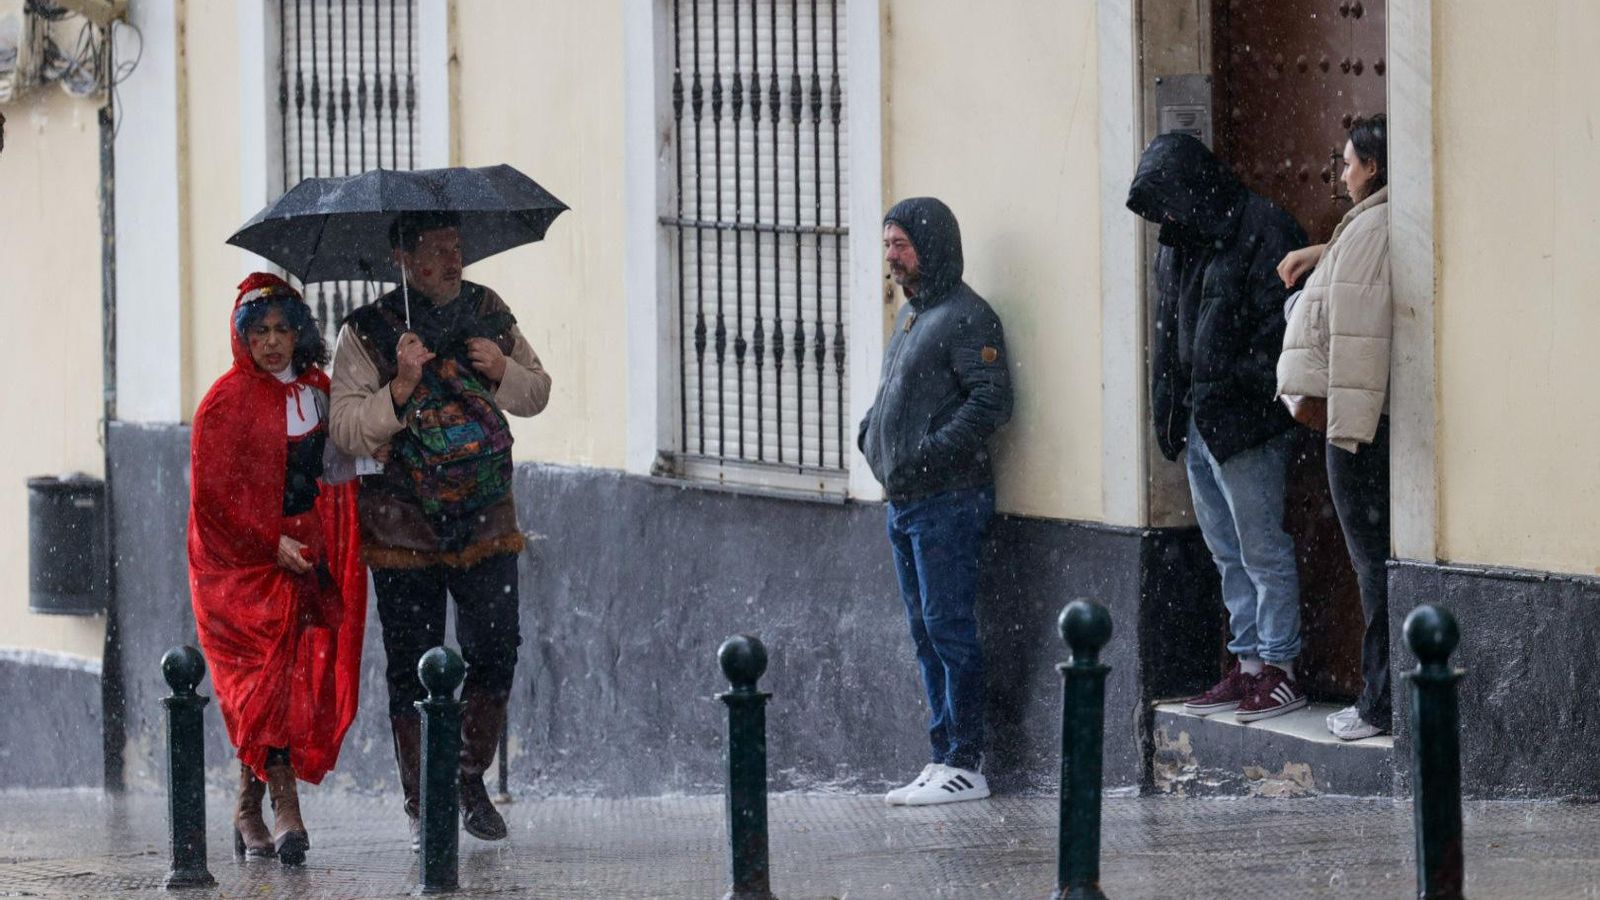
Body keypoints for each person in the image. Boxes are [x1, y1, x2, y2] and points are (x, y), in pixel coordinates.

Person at [329, 211, 552, 849]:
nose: (452, 262)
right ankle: (421, 794)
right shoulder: (367, 332)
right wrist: (399, 389)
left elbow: (537, 392)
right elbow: (345, 429)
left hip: (486, 515)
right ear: (403, 258)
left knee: (495, 648)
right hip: (402, 526)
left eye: (456, 248)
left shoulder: (488, 310)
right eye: (435, 251)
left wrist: (502, 367)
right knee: (413, 662)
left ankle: (468, 776)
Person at [1126, 134, 1310, 723]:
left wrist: (1235, 382)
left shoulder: (1265, 229)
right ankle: (1249, 665)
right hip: (1201, 422)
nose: (1167, 216)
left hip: (1248, 422)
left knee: (1261, 549)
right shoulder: (1178, 242)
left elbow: (1286, 335)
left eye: (1171, 201)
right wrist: (1169, 410)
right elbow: (1167, 334)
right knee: (1227, 551)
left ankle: (1281, 668)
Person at [187, 273, 366, 865]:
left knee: (289, 683)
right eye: (259, 331)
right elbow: (214, 500)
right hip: (237, 570)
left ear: (298, 332)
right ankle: (282, 805)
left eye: (282, 329)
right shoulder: (224, 402)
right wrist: (268, 544)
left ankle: (247, 806)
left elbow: (337, 466)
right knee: (258, 684)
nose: (271, 343)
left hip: (303, 551)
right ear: (243, 337)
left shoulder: (317, 391)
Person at [859, 197, 1012, 806]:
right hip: (906, 502)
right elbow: (893, 391)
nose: (892, 256)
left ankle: (965, 762)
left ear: (933, 245)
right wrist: (870, 434)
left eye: (902, 244)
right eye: (888, 244)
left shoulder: (967, 317)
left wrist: (925, 455)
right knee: (925, 631)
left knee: (949, 628)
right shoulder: (915, 314)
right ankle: (941, 751)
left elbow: (990, 402)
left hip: (948, 501)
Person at [1276, 114, 1393, 740]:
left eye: (1347, 163)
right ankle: (1383, 698)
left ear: (1371, 167)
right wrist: (1318, 253)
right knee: (1372, 565)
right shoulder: (1377, 221)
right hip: (1363, 421)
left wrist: (1343, 426)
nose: (1342, 174)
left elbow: (1358, 331)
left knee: (1371, 566)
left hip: (1357, 427)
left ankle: (1379, 704)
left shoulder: (1373, 223)